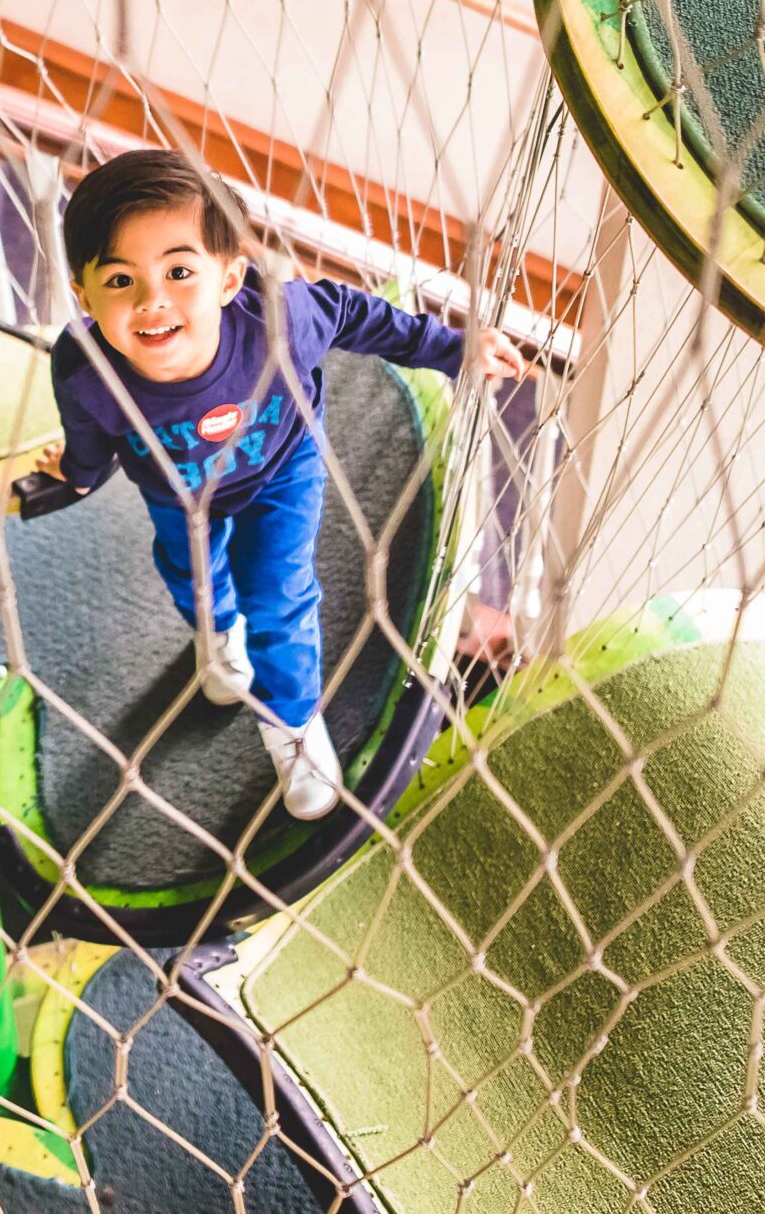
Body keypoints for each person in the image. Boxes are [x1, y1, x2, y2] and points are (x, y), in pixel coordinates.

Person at [39, 149, 522, 820]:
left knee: (281, 592)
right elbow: (88, 433)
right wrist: (79, 474)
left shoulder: (281, 321)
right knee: (194, 576)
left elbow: (359, 315)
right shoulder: (84, 365)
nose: (152, 301)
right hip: (178, 490)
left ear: (231, 278)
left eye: (180, 271)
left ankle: (291, 724)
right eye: (120, 280)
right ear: (84, 294)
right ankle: (218, 633)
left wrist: (449, 346)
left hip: (279, 470)